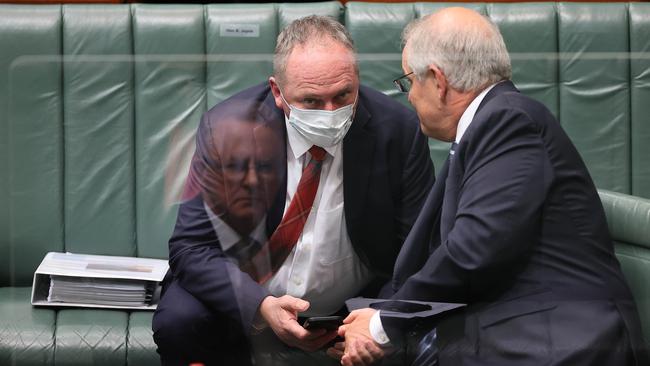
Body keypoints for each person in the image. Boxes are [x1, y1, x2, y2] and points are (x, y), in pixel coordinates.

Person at [332, 7, 649, 366]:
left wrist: (383, 325)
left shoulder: (507, 120)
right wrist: (378, 314)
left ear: (438, 81)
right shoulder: (488, 126)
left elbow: (473, 249)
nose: (410, 96)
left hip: (557, 342)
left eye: (409, 81)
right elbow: (444, 251)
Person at [152, 15, 434, 366]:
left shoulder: (400, 131)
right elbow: (191, 247)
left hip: (354, 303)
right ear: (277, 93)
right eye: (312, 102)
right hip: (251, 293)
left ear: (357, 81)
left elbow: (418, 251)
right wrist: (260, 305)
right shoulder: (226, 130)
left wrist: (377, 321)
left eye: (343, 95)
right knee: (179, 320)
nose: (331, 112)